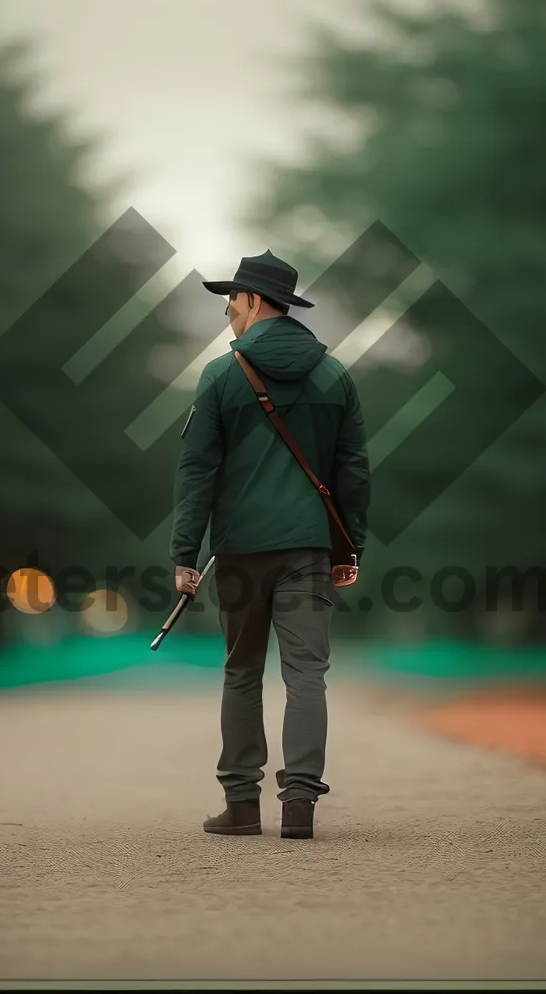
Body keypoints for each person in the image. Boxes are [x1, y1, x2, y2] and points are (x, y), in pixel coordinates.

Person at [171, 249, 370, 840]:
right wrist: (347, 548)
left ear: (256, 301)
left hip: (238, 551)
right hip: (308, 549)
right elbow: (353, 470)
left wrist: (185, 553)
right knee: (308, 672)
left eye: (231, 301)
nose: (227, 312)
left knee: (242, 671)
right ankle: (301, 803)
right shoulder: (336, 375)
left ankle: (241, 804)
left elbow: (196, 470)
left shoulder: (220, 375)